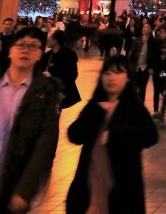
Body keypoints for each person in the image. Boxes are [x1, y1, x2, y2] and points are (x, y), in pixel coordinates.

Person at [66, 55, 158, 213]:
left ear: (128, 78)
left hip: (123, 193)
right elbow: (74, 135)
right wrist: (95, 114)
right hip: (89, 188)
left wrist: (116, 135)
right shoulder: (94, 106)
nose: (111, 78)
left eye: (117, 72)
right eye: (107, 73)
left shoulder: (133, 107)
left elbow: (151, 136)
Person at [0, 26, 60, 213]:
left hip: (12, 182)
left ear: (40, 54)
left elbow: (45, 142)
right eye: (21, 45)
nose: (25, 50)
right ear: (10, 50)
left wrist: (25, 189)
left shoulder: (46, 91)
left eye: (33, 46)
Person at [44, 30, 81, 110]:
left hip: (61, 92)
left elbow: (72, 75)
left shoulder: (69, 55)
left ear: (56, 41)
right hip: (49, 91)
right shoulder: (47, 55)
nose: (47, 40)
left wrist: (63, 91)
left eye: (50, 38)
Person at [128, 21, 157, 106]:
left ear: (151, 30)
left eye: (147, 27)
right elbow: (132, 53)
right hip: (135, 67)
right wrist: (129, 66)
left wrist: (151, 67)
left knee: (142, 88)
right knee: (134, 87)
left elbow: (154, 56)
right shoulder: (137, 40)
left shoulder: (153, 42)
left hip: (145, 68)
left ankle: (140, 105)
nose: (145, 29)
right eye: (144, 27)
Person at [151, 26, 166, 118]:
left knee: (163, 87)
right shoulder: (156, 43)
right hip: (157, 69)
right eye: (160, 32)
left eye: (163, 32)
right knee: (156, 89)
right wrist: (152, 67)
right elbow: (153, 55)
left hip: (165, 69)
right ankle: (156, 109)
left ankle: (164, 103)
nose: (162, 34)